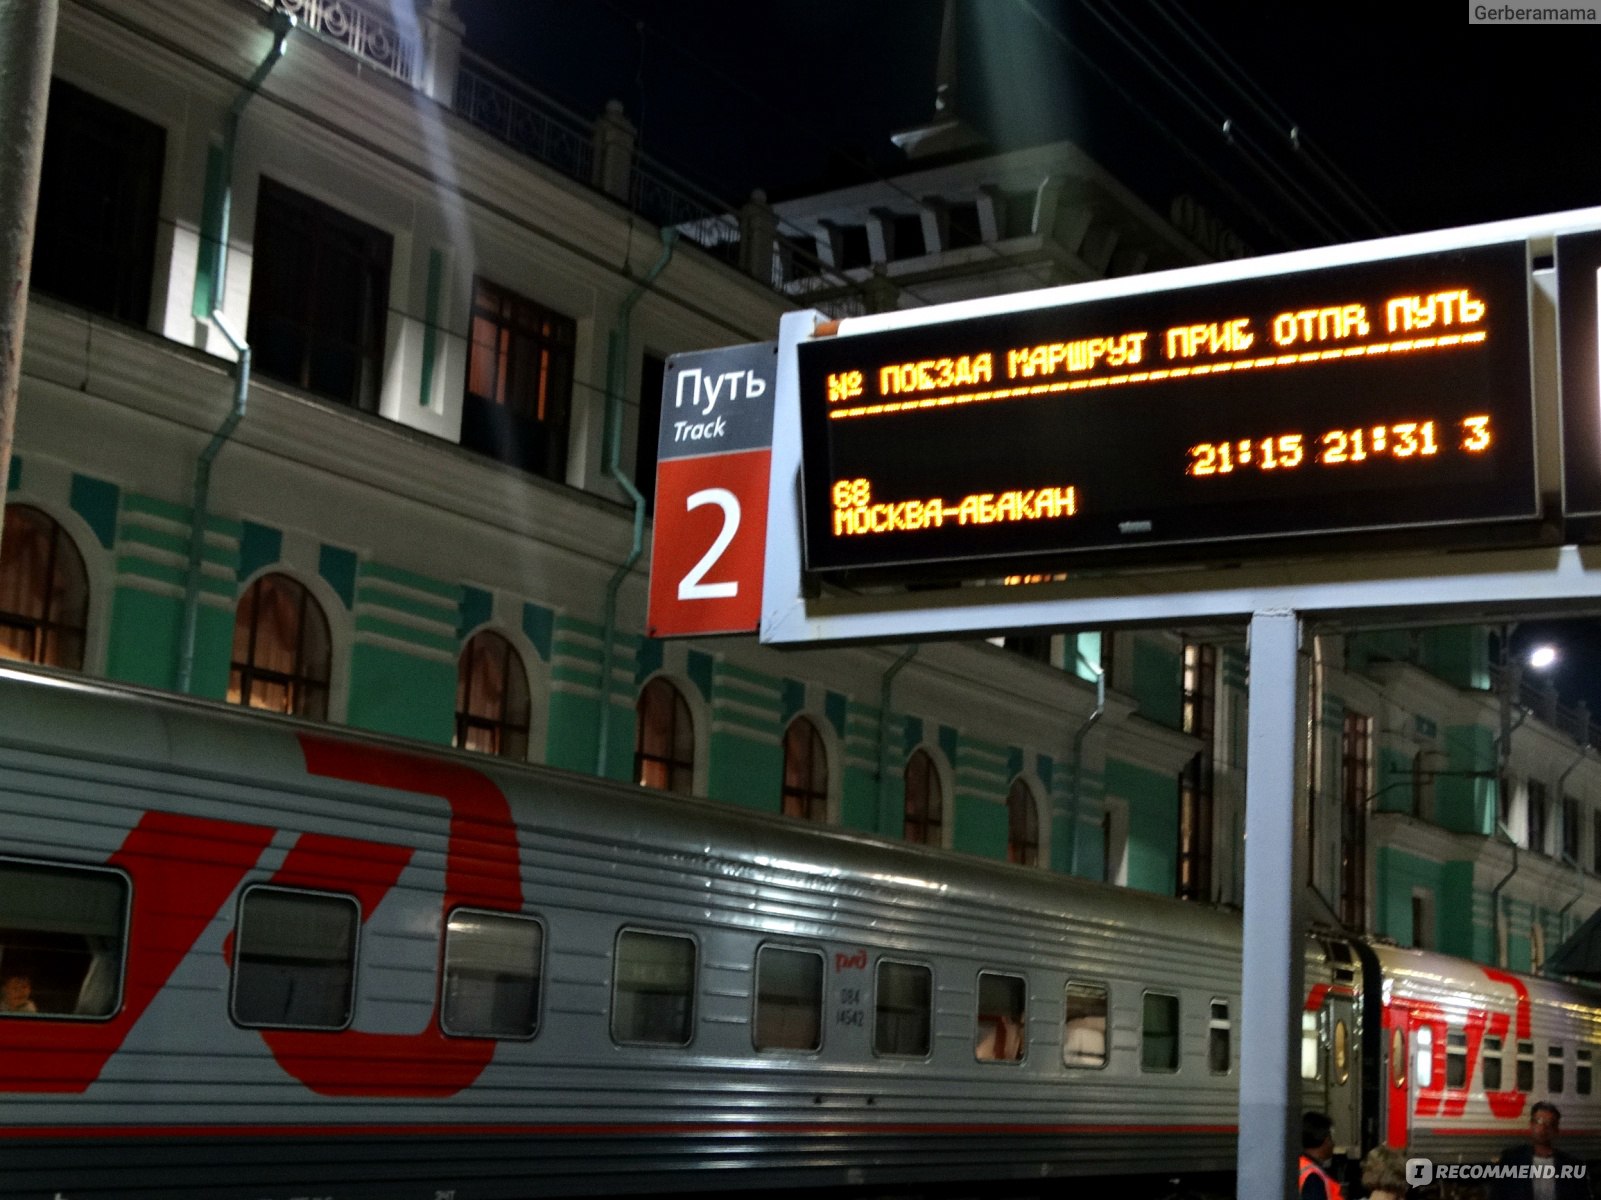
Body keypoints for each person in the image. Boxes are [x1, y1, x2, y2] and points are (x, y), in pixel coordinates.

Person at [1493, 1102, 1590, 1200]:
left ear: (1556, 1130)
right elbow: (1497, 1194)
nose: (1543, 1128)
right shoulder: (1511, 1160)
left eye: (1550, 1124)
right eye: (1539, 1122)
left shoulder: (1572, 1165)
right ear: (1531, 1125)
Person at [1300, 1111, 1344, 1200]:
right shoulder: (1313, 1177)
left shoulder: (1298, 1165)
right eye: (1331, 1138)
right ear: (1326, 1140)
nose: (1333, 1144)